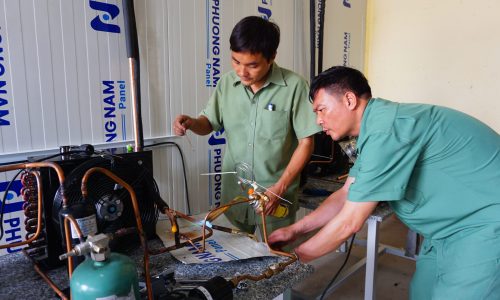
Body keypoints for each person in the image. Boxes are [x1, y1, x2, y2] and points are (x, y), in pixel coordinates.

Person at [268, 66, 500, 299]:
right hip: (444, 231)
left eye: (322, 110)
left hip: (484, 225)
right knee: (422, 292)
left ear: (349, 100)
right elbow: (347, 193)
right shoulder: (374, 130)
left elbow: (350, 222)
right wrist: (295, 230)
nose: (319, 121)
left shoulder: (386, 129)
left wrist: (295, 258)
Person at [172, 16, 321, 235]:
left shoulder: (295, 87)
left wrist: (280, 187)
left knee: (275, 261)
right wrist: (192, 122)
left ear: (271, 58)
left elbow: (306, 142)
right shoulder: (226, 84)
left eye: (252, 65)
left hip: (274, 196)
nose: (242, 72)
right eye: (236, 61)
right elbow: (208, 124)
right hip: (235, 195)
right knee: (237, 259)